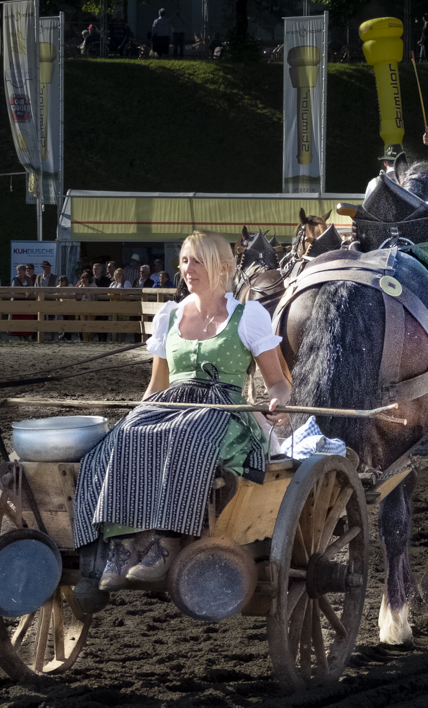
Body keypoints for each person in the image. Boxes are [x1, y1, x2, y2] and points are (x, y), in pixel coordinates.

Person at [72, 231, 291, 589]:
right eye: (185, 261)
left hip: (224, 409)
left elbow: (279, 382)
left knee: (188, 433)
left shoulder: (248, 316)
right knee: (126, 435)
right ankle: (123, 545)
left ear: (222, 268)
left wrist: (279, 403)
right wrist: (131, 421)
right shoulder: (169, 315)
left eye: (198, 261)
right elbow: (157, 386)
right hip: (172, 403)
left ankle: (167, 542)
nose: (188, 269)